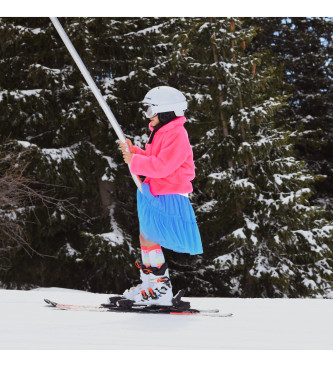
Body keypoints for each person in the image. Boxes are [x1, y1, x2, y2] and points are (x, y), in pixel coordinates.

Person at [118, 86, 203, 306]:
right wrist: (135, 152)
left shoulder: (177, 134)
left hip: (169, 192)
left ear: (165, 111)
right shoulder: (164, 132)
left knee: (151, 237)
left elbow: (163, 166)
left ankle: (161, 288)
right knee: (145, 237)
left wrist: (135, 161)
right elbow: (155, 158)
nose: (148, 116)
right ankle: (151, 284)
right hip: (156, 189)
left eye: (150, 111)